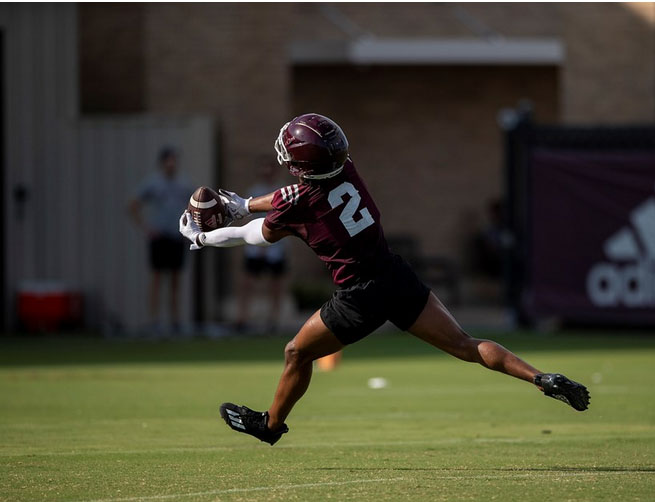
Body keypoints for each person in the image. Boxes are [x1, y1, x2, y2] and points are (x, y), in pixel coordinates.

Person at [179, 114, 589, 446]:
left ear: (303, 166)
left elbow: (255, 235)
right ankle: (540, 378)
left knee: (296, 354)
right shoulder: (346, 171)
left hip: (359, 296)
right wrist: (244, 203)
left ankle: (269, 427)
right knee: (465, 344)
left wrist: (204, 236)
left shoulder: (301, 202)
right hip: (395, 274)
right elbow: (289, 196)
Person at [130, 147, 193, 332]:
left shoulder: (183, 183)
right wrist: (147, 229)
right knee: (156, 278)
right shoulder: (153, 183)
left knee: (175, 280)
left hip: (176, 236)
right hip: (159, 237)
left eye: (174, 160)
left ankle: (175, 321)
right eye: (169, 160)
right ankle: (154, 321)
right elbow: (133, 206)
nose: (172, 164)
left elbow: (193, 206)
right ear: (163, 162)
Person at [236, 164, 288, 334]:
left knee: (275, 285)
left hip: (275, 247)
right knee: (247, 283)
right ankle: (243, 318)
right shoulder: (255, 191)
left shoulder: (282, 192)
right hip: (255, 247)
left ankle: (273, 320)